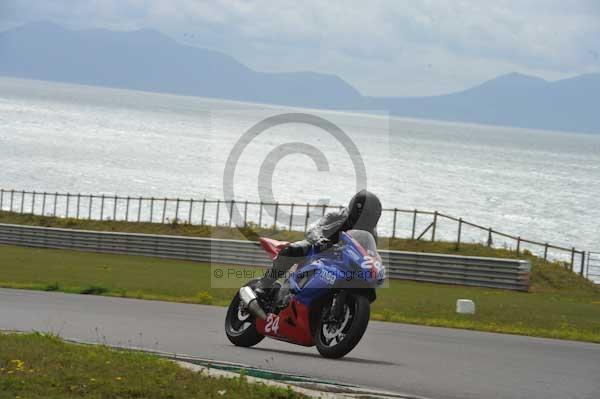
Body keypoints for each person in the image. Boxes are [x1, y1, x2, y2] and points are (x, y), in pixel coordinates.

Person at [255, 190, 382, 295]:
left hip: (343, 258)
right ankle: (264, 284)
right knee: (292, 250)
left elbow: (369, 252)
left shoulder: (371, 233)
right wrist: (319, 240)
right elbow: (315, 229)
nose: (366, 221)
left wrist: (374, 263)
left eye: (370, 218)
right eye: (365, 216)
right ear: (356, 211)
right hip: (320, 248)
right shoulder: (336, 216)